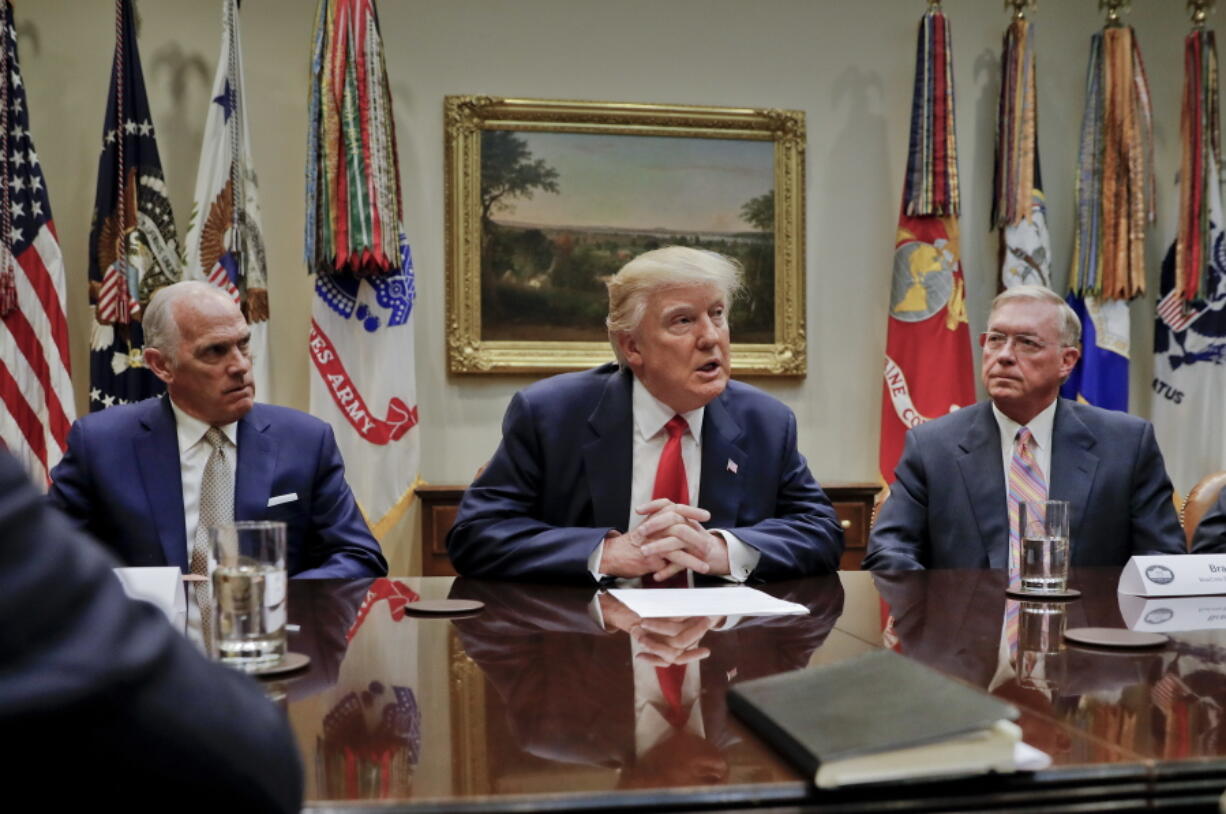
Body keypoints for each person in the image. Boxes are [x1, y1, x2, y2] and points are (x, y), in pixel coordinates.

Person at [447, 246, 843, 582]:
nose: (711, 337)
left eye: (717, 313)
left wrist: (722, 550)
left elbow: (822, 532)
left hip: (720, 650)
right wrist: (607, 554)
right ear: (633, 347)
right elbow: (476, 535)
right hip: (590, 648)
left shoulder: (766, 422)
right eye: (683, 320)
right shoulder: (551, 414)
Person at [0, 448, 303, 811]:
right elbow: (253, 759)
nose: (242, 385)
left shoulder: (305, 439)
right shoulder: (101, 443)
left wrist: (290, 594)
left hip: (272, 652)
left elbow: (356, 550)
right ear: (167, 384)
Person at [49, 281, 386, 579]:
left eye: (243, 344)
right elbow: (44, 558)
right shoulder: (101, 445)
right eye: (215, 351)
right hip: (149, 644)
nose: (240, 365)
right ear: (161, 365)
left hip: (273, 642)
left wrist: (269, 598)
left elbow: (359, 557)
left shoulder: (305, 441)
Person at [865, 285, 1185, 571]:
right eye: (995, 339)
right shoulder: (932, 446)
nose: (1004, 356)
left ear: (1067, 361)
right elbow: (890, 551)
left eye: (1026, 343)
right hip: (965, 632)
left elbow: (1163, 556)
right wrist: (936, 612)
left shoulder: (1126, 444)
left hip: (1088, 631)